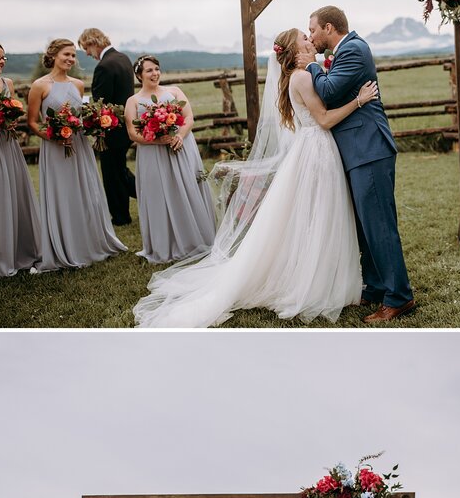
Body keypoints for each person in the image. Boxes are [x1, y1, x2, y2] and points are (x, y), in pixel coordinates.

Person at [133, 29, 376, 328]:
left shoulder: (297, 76)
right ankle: (316, 281)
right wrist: (359, 101)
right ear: (293, 49)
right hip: (317, 150)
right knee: (322, 213)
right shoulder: (302, 78)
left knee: (318, 213)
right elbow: (324, 120)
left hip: (313, 149)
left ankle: (323, 273)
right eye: (303, 37)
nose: (308, 39)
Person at [302, 5, 415, 323]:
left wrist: (311, 65)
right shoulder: (344, 52)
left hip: (369, 149)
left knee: (380, 225)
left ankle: (399, 297)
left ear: (327, 27)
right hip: (357, 151)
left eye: (312, 30)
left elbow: (326, 90)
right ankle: (376, 286)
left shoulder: (352, 49)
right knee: (367, 227)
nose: (310, 36)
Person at [27, 38, 127, 271]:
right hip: (55, 148)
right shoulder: (39, 86)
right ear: (53, 55)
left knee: (84, 192)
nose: (71, 59)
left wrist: (94, 124)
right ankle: (64, 245)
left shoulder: (79, 85)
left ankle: (87, 243)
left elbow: (80, 117)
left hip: (79, 145)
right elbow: (32, 123)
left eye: (73, 55)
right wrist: (54, 137)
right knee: (61, 192)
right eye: (66, 55)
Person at [125, 54, 215, 263]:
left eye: (157, 68)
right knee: (158, 194)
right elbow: (132, 133)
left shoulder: (174, 92)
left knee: (186, 188)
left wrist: (179, 136)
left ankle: (195, 237)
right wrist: (158, 141)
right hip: (152, 154)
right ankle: (164, 243)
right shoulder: (134, 101)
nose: (155, 73)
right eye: (149, 70)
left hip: (181, 147)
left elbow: (189, 117)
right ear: (139, 75)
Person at [0, 42, 42, 278]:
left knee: (15, 194)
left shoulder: (8, 84)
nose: (1, 61)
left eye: (4, 57)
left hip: (9, 145)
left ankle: (19, 251)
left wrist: (12, 121)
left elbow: (16, 111)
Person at [78, 28, 137, 224]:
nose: (87, 53)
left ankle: (121, 215)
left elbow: (100, 102)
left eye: (86, 48)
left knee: (112, 174)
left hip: (111, 129)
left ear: (94, 42)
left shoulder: (104, 66)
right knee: (119, 170)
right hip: (126, 126)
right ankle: (135, 205)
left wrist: (86, 110)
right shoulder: (123, 58)